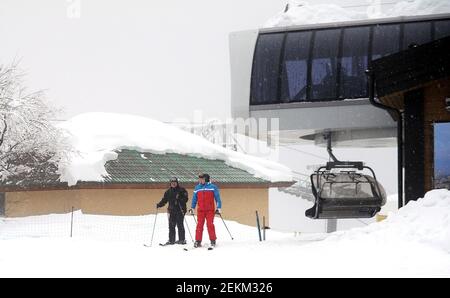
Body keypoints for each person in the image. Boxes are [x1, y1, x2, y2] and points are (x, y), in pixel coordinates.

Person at [189, 173, 222, 248]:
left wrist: (218, 208)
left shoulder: (213, 187)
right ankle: (198, 241)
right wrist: (192, 208)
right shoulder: (197, 187)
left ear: (206, 179)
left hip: (210, 210)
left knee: (210, 225)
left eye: (202, 179)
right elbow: (194, 199)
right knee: (199, 225)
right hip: (200, 210)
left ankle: (213, 240)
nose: (200, 180)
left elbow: (217, 198)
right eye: (199, 179)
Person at [156, 177, 189, 245]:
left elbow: (186, 199)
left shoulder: (182, 190)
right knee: (171, 225)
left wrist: (180, 198)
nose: (173, 184)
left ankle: (182, 240)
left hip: (180, 209)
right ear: (170, 184)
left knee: (180, 225)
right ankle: (171, 240)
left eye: (175, 183)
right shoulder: (168, 192)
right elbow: (164, 200)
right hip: (172, 210)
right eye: (172, 183)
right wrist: (159, 204)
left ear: (177, 183)